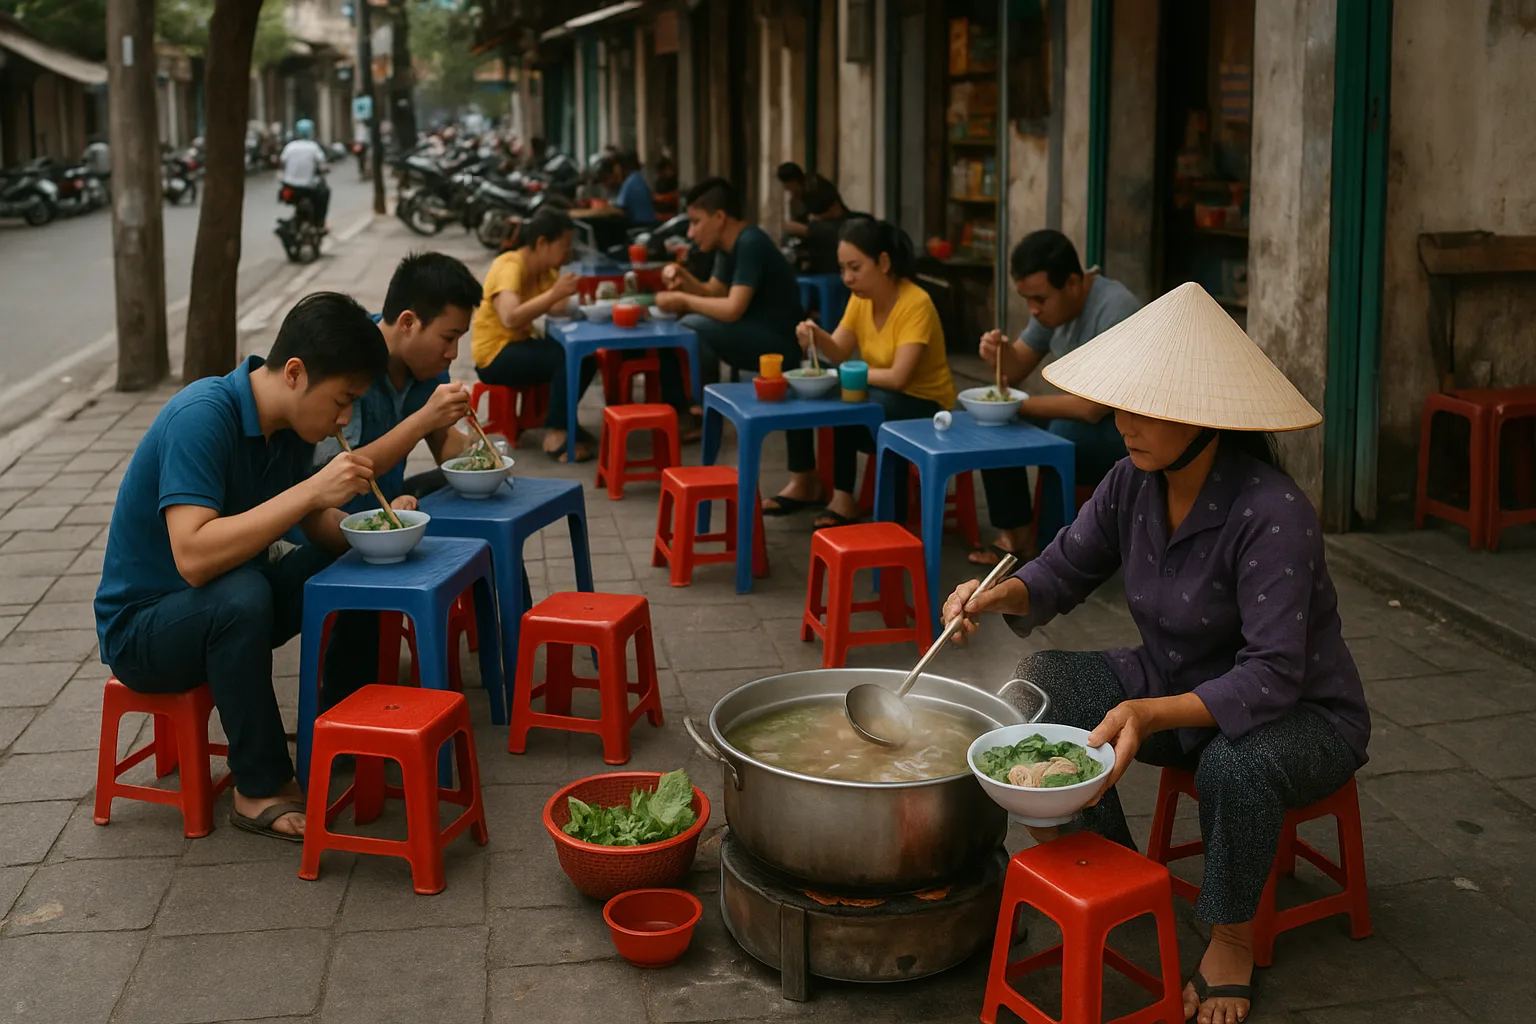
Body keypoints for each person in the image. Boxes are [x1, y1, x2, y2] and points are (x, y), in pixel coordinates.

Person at [942, 283, 1371, 1024]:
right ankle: (1108, 872)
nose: (1124, 424)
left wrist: (1148, 709)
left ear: (1205, 418)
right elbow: (1060, 569)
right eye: (1122, 405)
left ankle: (1231, 935)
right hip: (1174, 685)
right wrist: (990, 596)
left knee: (1233, 764)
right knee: (1038, 688)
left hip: (1301, 716)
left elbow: (1274, 674)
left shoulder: (1273, 512)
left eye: (1147, 409)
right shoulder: (1131, 482)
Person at [94, 293, 390, 842]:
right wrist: (308, 494)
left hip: (223, 608)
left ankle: (353, 731)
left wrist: (374, 531)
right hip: (144, 631)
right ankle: (259, 784)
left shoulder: (293, 430)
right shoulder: (202, 416)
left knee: (343, 564)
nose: (346, 419)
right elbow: (194, 556)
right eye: (343, 400)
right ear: (296, 373)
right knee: (243, 592)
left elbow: (310, 524)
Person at [767, 218, 957, 529]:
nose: (847, 278)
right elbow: (839, 350)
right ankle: (834, 493)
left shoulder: (916, 303)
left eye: (855, 267)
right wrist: (815, 335)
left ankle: (890, 516)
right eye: (843, 269)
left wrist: (850, 375)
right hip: (882, 396)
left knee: (853, 399)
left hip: (926, 406)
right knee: (825, 393)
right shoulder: (860, 299)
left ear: (883, 262)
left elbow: (900, 378)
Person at [972, 229, 1142, 566]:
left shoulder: (1115, 309)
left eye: (1039, 300)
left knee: (1064, 435)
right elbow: (1017, 366)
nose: (1033, 310)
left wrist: (1013, 405)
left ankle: (1054, 555)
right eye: (1027, 301)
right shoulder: (1054, 307)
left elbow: (1092, 408)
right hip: (1084, 416)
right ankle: (1018, 534)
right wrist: (999, 352)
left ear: (1074, 284)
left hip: (1131, 428)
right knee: (991, 424)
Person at [313, 251, 484, 508]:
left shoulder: (429, 368)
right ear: (408, 322)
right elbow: (332, 477)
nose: (453, 354)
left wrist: (482, 451)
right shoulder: (348, 360)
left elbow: (444, 445)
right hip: (337, 527)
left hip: (394, 509)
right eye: (448, 338)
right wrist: (424, 419)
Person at [653, 177, 803, 435]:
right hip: (751, 332)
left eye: (695, 222)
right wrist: (682, 276)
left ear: (720, 217)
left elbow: (733, 309)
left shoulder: (750, 242)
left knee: (690, 325)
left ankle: (698, 411)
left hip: (777, 346)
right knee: (680, 327)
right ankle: (689, 409)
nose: (690, 233)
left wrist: (684, 301)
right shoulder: (725, 247)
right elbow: (714, 292)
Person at [471, 208, 594, 461]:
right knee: (564, 357)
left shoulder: (546, 271)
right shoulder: (509, 265)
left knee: (586, 356)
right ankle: (557, 434)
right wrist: (555, 294)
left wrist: (591, 303)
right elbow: (510, 316)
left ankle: (563, 417)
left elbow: (559, 307)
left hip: (520, 345)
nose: (568, 253)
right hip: (495, 354)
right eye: (564, 245)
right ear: (542, 242)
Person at [797, 176, 861, 276]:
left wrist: (808, 230)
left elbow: (842, 233)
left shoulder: (858, 223)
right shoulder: (817, 229)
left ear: (834, 207)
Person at [280, 118, 330, 228]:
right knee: (325, 192)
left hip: (289, 185)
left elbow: (282, 162)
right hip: (308, 187)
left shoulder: (290, 147)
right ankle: (320, 222)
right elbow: (322, 164)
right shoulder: (314, 147)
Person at [612, 151, 657, 227]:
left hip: (638, 224)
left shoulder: (630, 182)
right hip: (649, 222)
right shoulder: (639, 178)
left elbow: (619, 207)